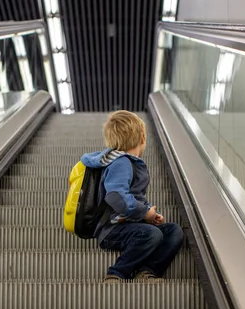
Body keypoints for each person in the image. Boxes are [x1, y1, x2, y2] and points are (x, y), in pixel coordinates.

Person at [79, 110, 184, 282]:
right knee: (151, 234)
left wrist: (149, 212)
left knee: (174, 231)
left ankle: (147, 272)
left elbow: (133, 195)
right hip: (111, 229)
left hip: (130, 224)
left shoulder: (127, 163)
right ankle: (117, 273)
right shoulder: (121, 163)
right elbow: (115, 197)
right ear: (142, 138)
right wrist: (144, 213)